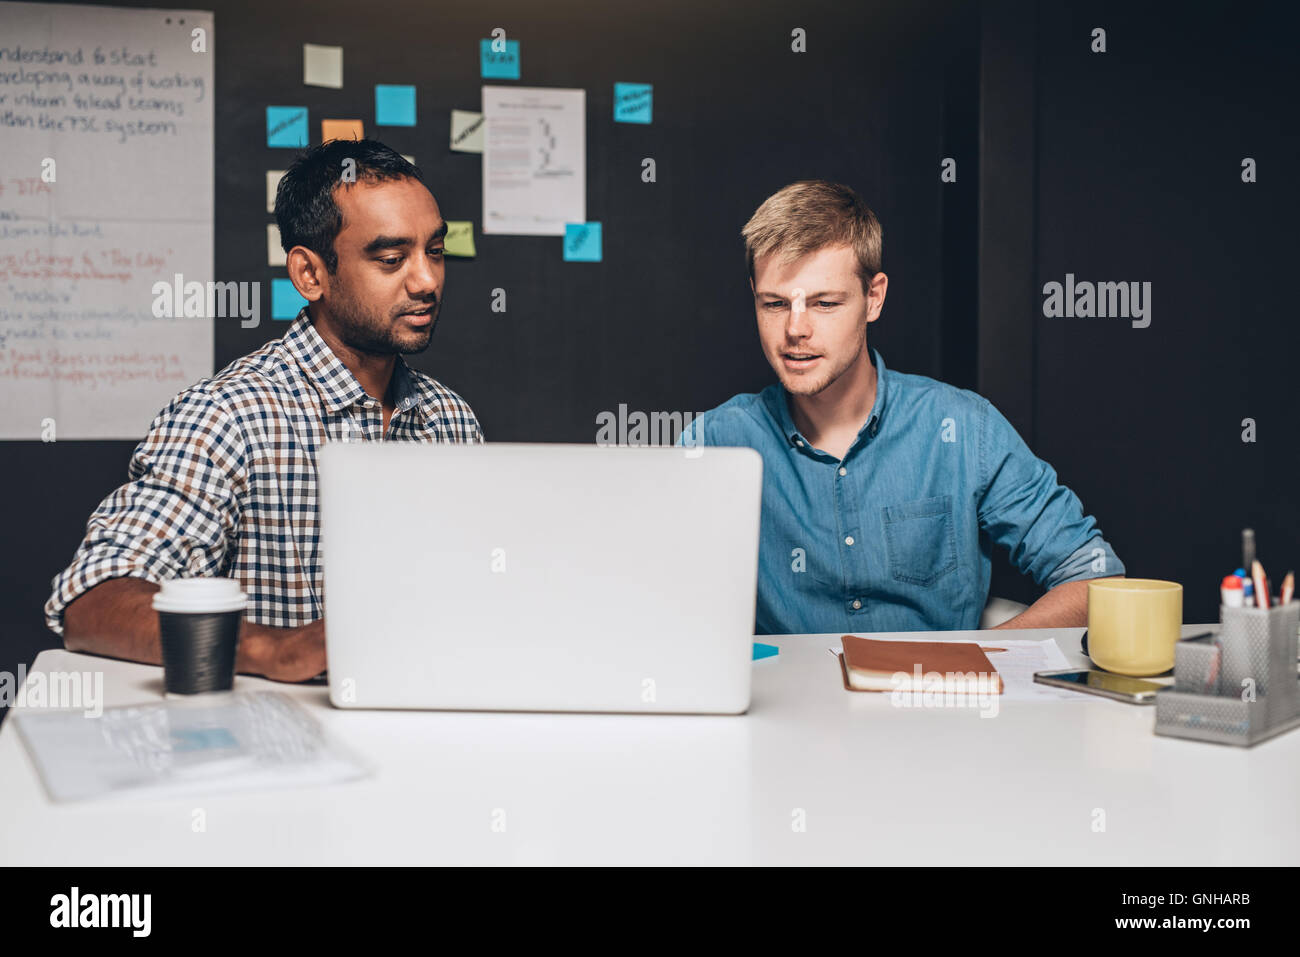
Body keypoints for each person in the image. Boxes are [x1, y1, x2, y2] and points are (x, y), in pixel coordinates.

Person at [45, 139, 482, 681]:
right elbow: (92, 598)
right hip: (281, 750)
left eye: (434, 252)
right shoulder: (226, 417)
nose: (426, 281)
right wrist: (272, 651)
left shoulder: (451, 418)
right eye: (391, 259)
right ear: (310, 275)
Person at [682, 180, 1123, 634]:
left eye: (825, 303)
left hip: (935, 699)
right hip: (784, 703)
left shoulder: (963, 429)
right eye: (774, 304)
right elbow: (658, 594)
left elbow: (1094, 577)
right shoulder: (714, 443)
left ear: (874, 298)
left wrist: (973, 659)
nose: (796, 330)